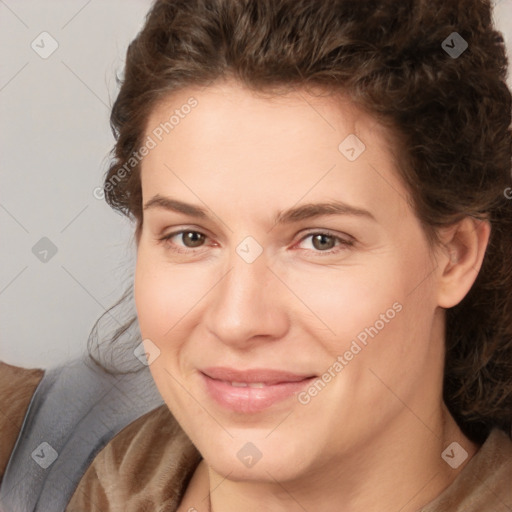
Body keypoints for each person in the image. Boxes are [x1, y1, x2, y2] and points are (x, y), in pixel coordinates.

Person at [1, 0, 512, 510]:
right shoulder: (40, 456)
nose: (238, 320)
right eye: (191, 237)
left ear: (455, 255)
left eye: (321, 240)